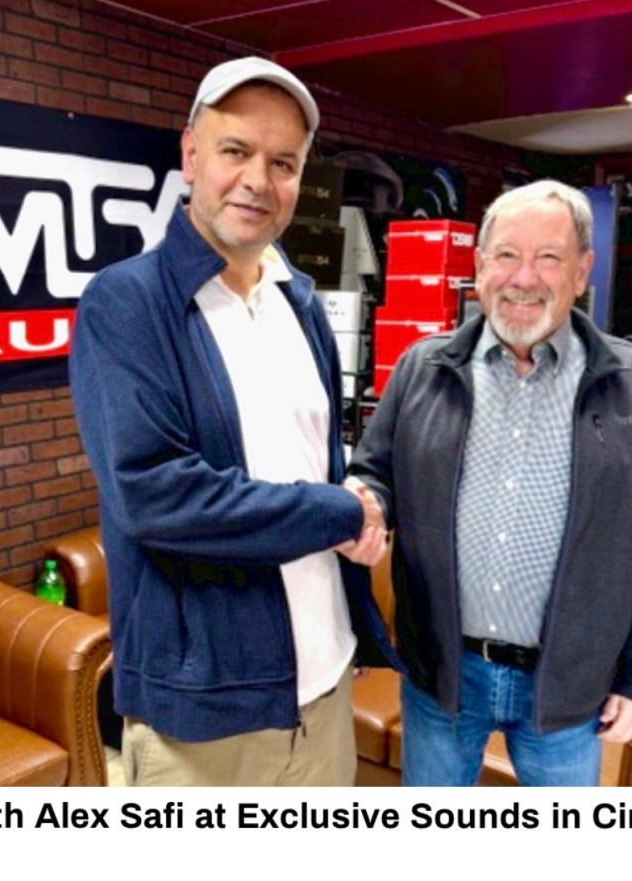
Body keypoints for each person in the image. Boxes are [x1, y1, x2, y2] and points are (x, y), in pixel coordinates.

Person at [69, 56, 397, 786]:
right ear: (191, 154)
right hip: (209, 717)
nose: (259, 178)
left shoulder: (302, 303)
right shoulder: (127, 304)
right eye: (236, 150)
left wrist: (359, 501)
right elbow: (157, 496)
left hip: (325, 681)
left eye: (284, 162)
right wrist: (336, 510)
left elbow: (315, 460)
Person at [347, 179, 632, 786]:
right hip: (443, 676)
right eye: (506, 254)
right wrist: (363, 503)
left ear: (582, 272)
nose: (523, 277)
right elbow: (376, 474)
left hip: (567, 686)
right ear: (480, 267)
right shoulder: (421, 369)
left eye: (549, 257)